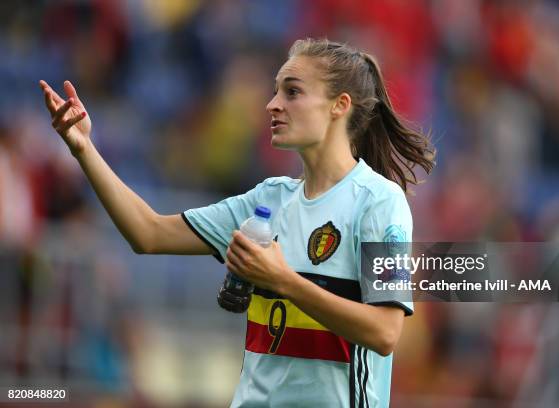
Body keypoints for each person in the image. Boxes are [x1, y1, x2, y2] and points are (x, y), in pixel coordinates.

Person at [40, 38, 434, 407]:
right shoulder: (268, 198)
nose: (272, 104)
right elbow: (149, 233)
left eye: (292, 92)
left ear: (339, 105)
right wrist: (84, 149)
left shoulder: (380, 203)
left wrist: (284, 281)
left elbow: (385, 333)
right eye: (276, 90)